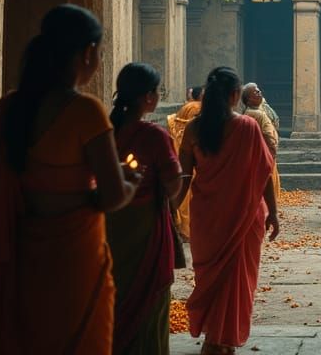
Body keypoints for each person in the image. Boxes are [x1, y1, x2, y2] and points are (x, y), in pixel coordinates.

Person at [0, 4, 139, 354]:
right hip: (74, 258)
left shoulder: (8, 109)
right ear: (88, 53)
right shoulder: (86, 111)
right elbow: (111, 196)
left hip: (21, 250)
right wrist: (130, 180)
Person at [177, 67, 279, 355]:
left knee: (212, 278)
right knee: (236, 281)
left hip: (207, 218)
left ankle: (215, 336)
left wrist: (170, 210)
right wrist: (273, 212)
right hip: (244, 217)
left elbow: (184, 179)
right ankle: (223, 339)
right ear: (235, 95)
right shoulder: (246, 127)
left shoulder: (194, 129)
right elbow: (264, 174)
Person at [107, 63, 182, 355]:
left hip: (109, 225)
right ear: (149, 97)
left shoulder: (105, 131)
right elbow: (174, 184)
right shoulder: (154, 135)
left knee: (114, 296)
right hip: (146, 228)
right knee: (150, 302)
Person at [168, 86, 203, 239]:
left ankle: (181, 227)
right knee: (190, 194)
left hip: (180, 150)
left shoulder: (186, 107)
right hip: (191, 153)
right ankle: (187, 230)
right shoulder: (196, 108)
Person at [241, 82, 281, 200]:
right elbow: (268, 134)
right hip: (265, 153)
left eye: (259, 91)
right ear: (248, 100)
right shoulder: (259, 115)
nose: (260, 93)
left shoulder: (246, 113)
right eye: (256, 92)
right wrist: (273, 150)